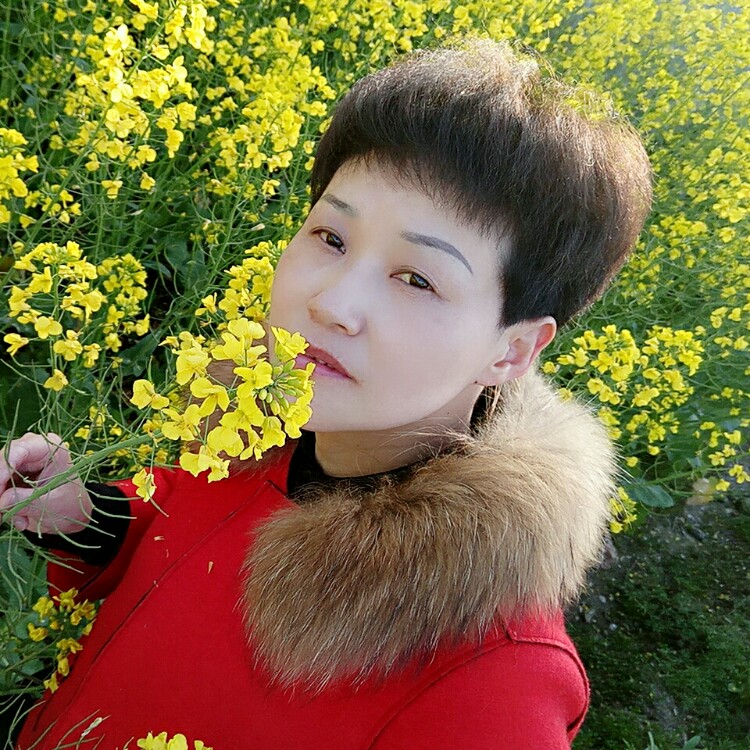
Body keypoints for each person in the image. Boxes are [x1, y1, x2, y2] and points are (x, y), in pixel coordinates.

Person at [0, 40, 651, 749]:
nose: (332, 303)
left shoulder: (494, 685)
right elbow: (172, 533)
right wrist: (84, 517)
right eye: (331, 237)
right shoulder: (256, 425)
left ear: (513, 350)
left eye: (417, 279)